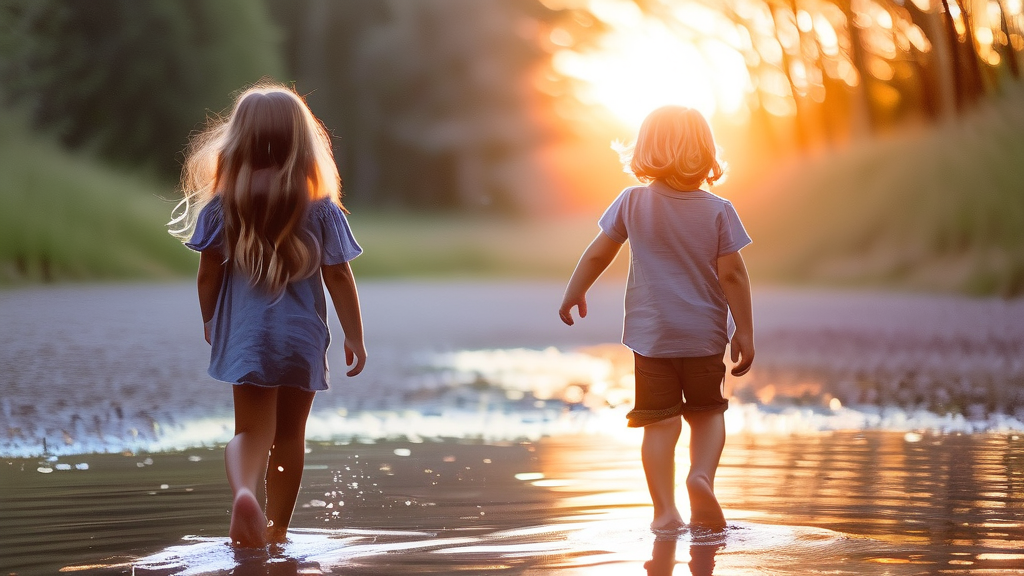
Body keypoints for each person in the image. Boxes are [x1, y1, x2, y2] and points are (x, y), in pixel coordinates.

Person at [169, 83, 367, 548]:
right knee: (291, 435)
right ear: (302, 143)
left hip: (246, 335)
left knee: (250, 432)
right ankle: (277, 530)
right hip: (301, 338)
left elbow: (206, 276)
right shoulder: (321, 210)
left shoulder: (223, 207)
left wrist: (210, 320)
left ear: (238, 142)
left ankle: (244, 494)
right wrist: (355, 337)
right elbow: (339, 277)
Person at [558, 106, 753, 532]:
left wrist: (576, 290)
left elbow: (598, 252)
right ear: (706, 152)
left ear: (646, 150)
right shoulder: (719, 210)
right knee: (706, 412)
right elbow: (733, 274)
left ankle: (665, 512)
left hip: (652, 338)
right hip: (703, 337)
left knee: (659, 423)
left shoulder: (631, 201)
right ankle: (700, 477)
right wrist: (745, 331)